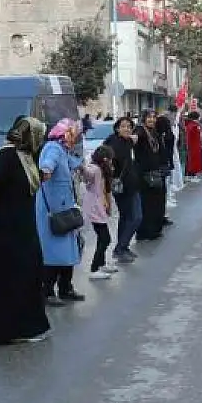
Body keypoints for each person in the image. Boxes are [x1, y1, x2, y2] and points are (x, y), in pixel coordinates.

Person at [0, 116, 51, 345]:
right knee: (6, 279)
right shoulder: (7, 156)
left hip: (21, 229)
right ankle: (8, 331)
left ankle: (29, 326)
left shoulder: (27, 157)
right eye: (37, 135)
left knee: (29, 274)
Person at [36, 118, 86, 306]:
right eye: (73, 133)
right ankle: (47, 291)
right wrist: (46, 170)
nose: (76, 137)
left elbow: (75, 164)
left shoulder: (63, 150)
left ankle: (66, 288)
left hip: (65, 209)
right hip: (54, 211)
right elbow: (47, 166)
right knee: (53, 253)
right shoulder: (52, 148)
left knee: (69, 251)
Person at [104, 117, 141, 263]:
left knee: (127, 218)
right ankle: (120, 248)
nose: (126, 129)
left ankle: (122, 247)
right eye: (123, 126)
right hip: (122, 187)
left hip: (133, 185)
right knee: (134, 217)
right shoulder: (113, 143)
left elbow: (135, 138)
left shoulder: (128, 142)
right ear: (117, 128)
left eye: (129, 126)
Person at [84, 145, 119, 280]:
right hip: (94, 208)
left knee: (103, 238)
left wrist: (108, 205)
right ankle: (94, 268)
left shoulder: (103, 170)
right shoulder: (95, 168)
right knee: (105, 238)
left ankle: (101, 264)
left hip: (99, 207)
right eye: (109, 159)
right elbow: (88, 173)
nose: (111, 161)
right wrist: (81, 167)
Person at [135, 117, 166, 241]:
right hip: (144, 175)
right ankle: (144, 232)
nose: (152, 120)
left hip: (155, 172)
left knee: (156, 203)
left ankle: (154, 229)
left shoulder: (154, 132)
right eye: (149, 117)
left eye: (154, 117)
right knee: (146, 204)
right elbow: (136, 138)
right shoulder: (140, 131)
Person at [183, 111, 202, 178]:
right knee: (192, 160)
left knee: (193, 160)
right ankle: (191, 174)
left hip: (194, 145)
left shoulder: (193, 125)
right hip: (193, 145)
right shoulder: (193, 125)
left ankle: (192, 173)